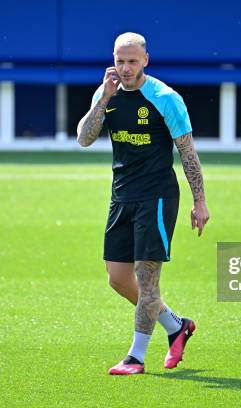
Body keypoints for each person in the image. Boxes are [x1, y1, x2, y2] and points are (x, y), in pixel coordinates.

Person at [77, 32, 209, 375]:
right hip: (121, 196)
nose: (125, 68)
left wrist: (200, 202)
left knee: (147, 279)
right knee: (118, 278)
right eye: (120, 61)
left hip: (158, 198)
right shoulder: (106, 93)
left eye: (132, 61)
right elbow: (84, 139)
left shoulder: (166, 98)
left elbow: (188, 154)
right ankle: (176, 326)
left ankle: (136, 357)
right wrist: (103, 99)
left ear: (146, 61)